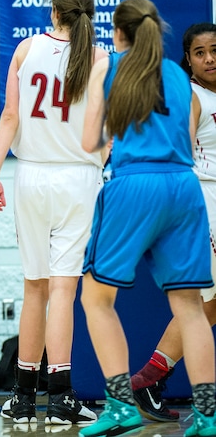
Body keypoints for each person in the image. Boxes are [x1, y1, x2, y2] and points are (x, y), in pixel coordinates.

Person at [79, 0, 216, 437]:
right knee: (192, 308)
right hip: (184, 187)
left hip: (136, 182)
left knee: (96, 299)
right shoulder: (180, 77)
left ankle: (121, 406)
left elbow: (88, 142)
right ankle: (208, 417)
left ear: (119, 33)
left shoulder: (111, 66)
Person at [0, 0, 105, 425]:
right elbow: (99, 130)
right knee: (63, 291)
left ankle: (21, 398)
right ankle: (60, 398)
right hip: (77, 177)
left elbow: (10, 116)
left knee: (33, 287)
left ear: (53, 10)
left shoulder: (25, 49)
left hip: (29, 176)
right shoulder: (97, 57)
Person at [127, 22, 216, 424]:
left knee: (209, 307)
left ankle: (149, 378)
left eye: (215, 50)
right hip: (204, 203)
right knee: (201, 306)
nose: (210, 58)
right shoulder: (192, 96)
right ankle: (157, 382)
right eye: (200, 52)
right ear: (189, 58)